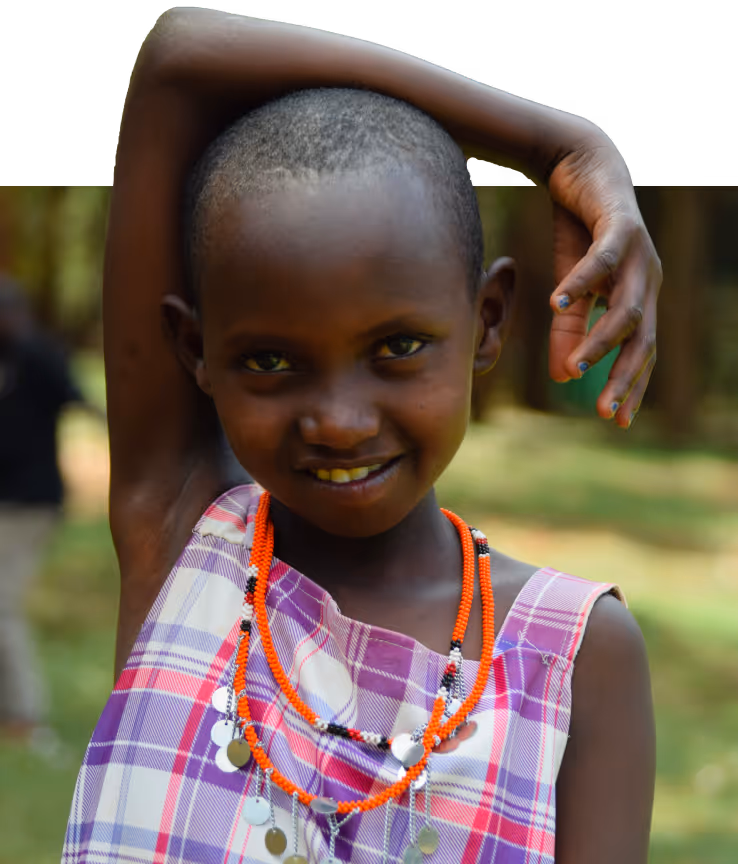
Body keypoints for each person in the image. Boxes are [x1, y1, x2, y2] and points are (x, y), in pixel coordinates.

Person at [63, 9, 660, 864]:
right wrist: (555, 146)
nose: (338, 421)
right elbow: (178, 57)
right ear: (195, 352)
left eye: (398, 348)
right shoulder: (184, 539)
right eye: (271, 360)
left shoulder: (572, 661)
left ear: (487, 321)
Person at [0, 276, 101, 757]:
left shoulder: (38, 357)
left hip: (32, 505)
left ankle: (25, 715)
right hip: (5, 502)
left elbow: (81, 400)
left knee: (2, 608)